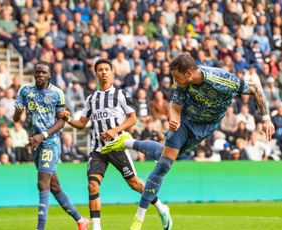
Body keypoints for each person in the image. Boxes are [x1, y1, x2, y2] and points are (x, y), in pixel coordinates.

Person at [100, 54, 275, 230]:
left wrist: (266, 118)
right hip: (185, 123)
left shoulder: (221, 79)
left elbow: (255, 89)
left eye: (177, 77)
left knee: (163, 156)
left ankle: (128, 142)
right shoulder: (183, 83)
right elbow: (175, 108)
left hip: (205, 128)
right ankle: (138, 219)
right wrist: (173, 119)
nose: (175, 81)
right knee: (163, 166)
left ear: (189, 73)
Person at [59, 59, 170, 230]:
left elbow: (132, 119)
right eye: (100, 70)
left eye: (106, 69)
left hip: (117, 146)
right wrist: (68, 119)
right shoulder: (91, 98)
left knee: (134, 184)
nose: (103, 72)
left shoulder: (121, 95)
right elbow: (82, 123)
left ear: (112, 72)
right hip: (98, 149)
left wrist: (114, 130)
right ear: (96, 73)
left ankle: (161, 207)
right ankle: (97, 228)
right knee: (92, 185)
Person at [13, 62, 89, 230]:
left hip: (50, 142)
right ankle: (80, 220)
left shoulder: (57, 94)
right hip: (35, 143)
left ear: (49, 75)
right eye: (37, 72)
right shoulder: (25, 91)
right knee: (54, 187)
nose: (40, 75)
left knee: (42, 183)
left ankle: (40, 228)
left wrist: (44, 135)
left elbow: (62, 120)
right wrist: (18, 113)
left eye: (43, 72)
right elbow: (16, 119)